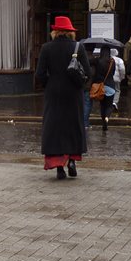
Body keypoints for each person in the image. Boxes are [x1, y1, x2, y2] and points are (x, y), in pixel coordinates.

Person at [36, 16, 90, 180]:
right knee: (73, 125)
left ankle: (59, 166)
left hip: (54, 93)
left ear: (55, 31)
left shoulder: (46, 48)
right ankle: (72, 160)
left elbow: (40, 74)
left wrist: (49, 84)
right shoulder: (78, 47)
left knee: (55, 127)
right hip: (73, 92)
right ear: (70, 32)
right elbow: (87, 72)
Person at [91, 46, 116, 131]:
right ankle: (107, 118)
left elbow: (89, 62)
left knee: (102, 105)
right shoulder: (112, 61)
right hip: (111, 86)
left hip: (100, 86)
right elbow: (113, 73)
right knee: (109, 106)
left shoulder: (97, 60)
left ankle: (103, 122)